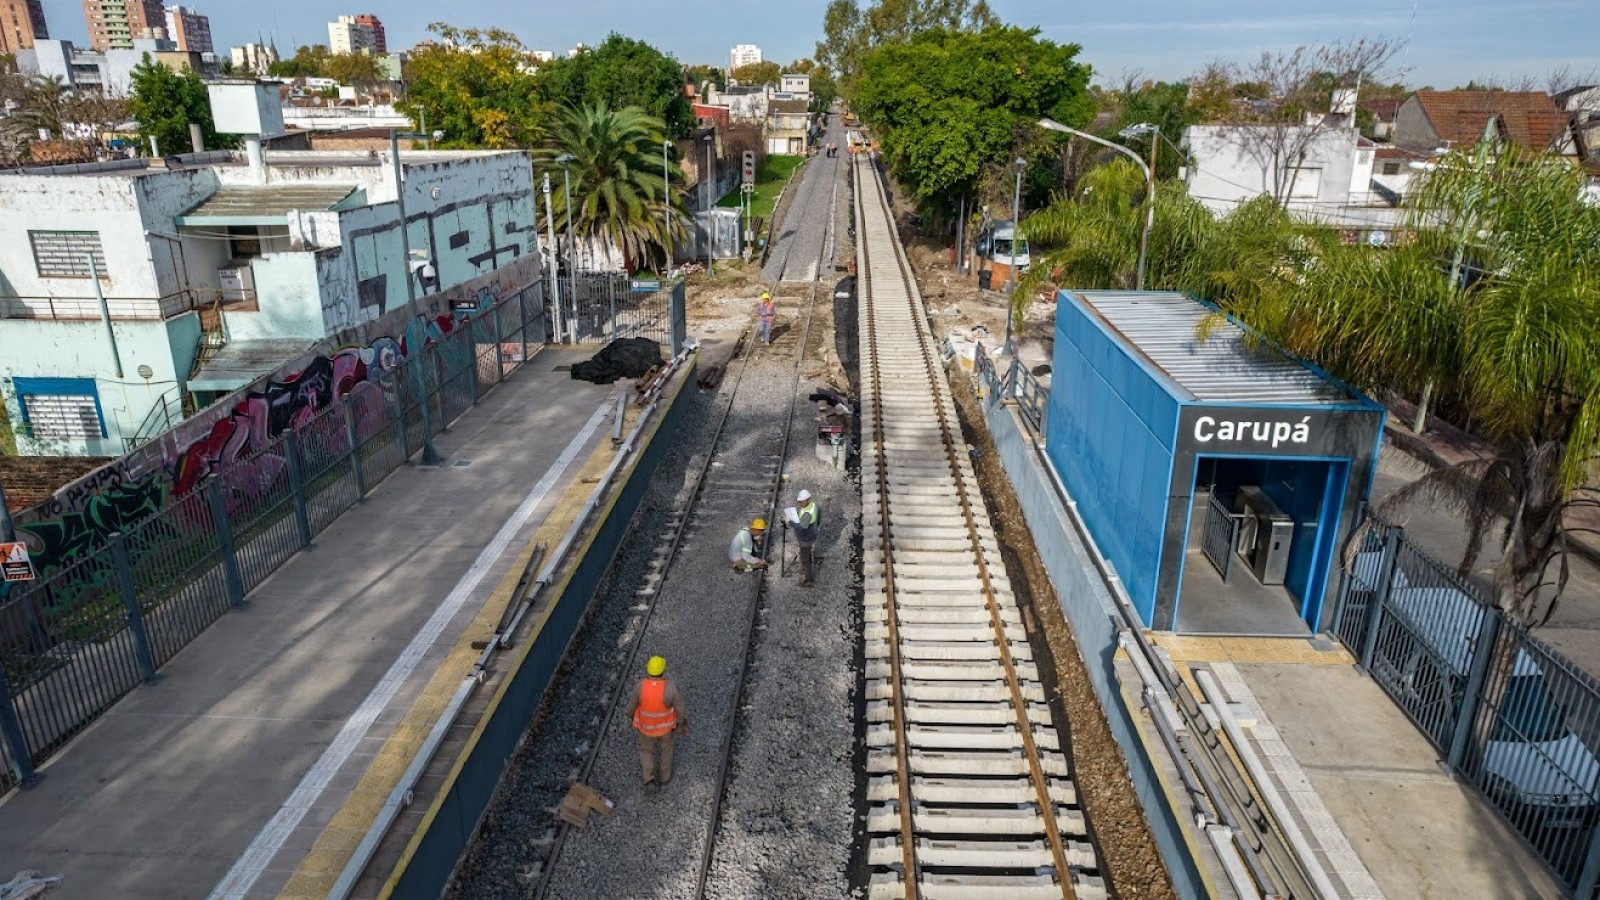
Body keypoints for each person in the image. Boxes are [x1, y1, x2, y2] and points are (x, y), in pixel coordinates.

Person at [628, 655, 687, 791]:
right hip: (665, 729)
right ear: (663, 670)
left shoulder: (640, 687)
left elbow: (630, 708)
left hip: (645, 729)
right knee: (666, 751)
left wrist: (634, 720)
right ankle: (664, 778)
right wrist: (681, 723)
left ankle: (649, 780)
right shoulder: (670, 688)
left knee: (646, 751)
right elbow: (680, 709)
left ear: (648, 670)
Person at [790, 489, 820, 586]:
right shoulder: (813, 505)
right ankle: (807, 570)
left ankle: (809, 579)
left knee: (805, 558)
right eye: (800, 501)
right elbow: (819, 515)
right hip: (812, 533)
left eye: (803, 501)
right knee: (806, 553)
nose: (801, 503)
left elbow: (801, 527)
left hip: (806, 538)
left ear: (808, 499)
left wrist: (790, 521)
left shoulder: (807, 513)